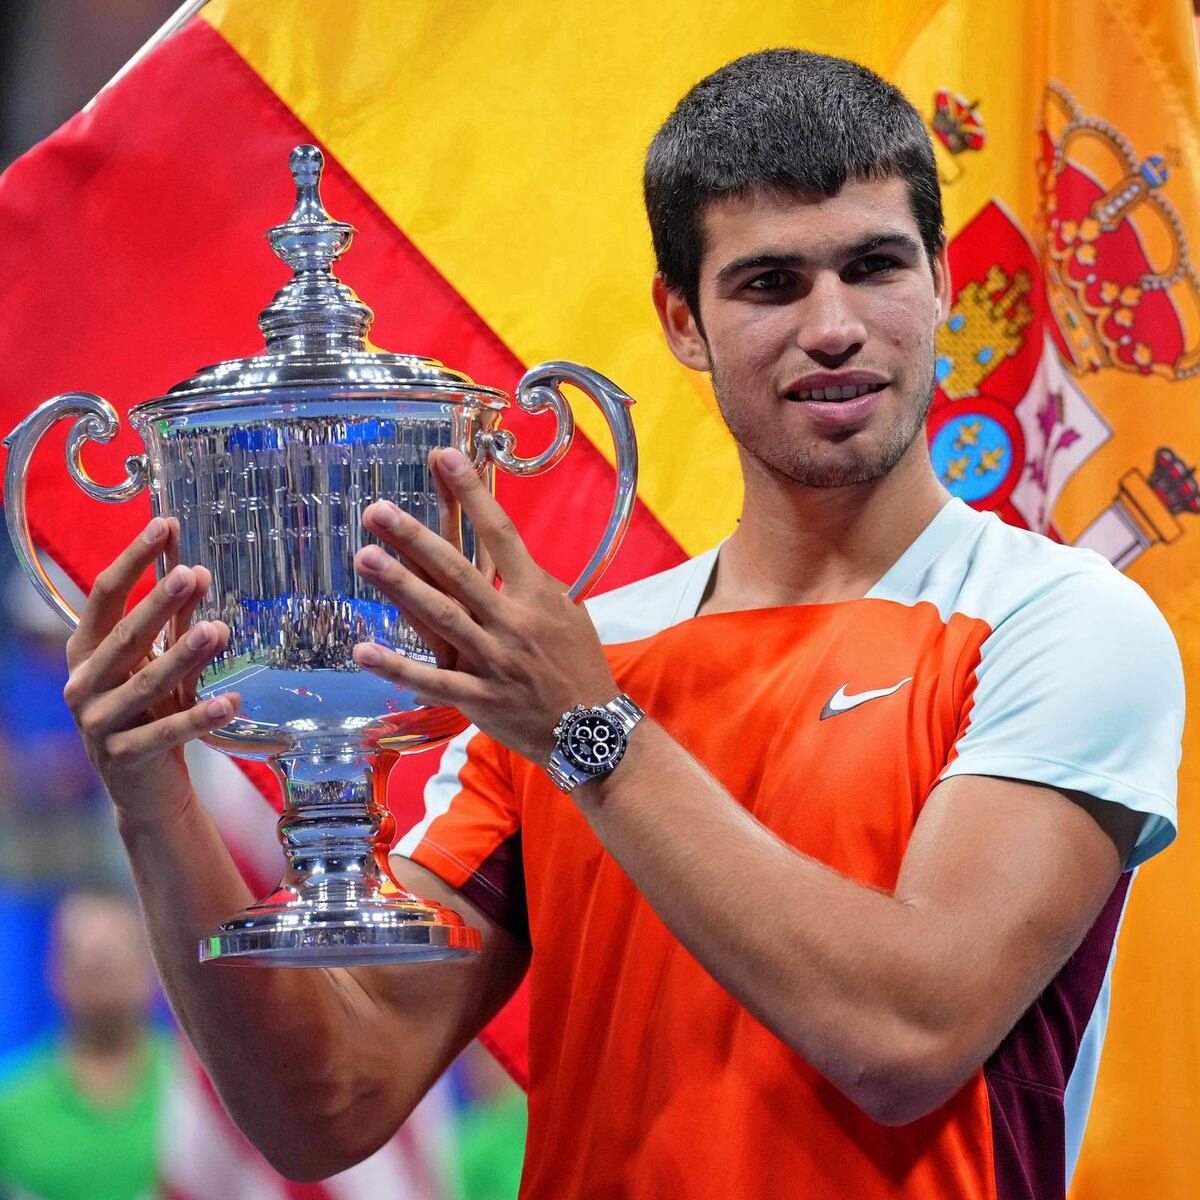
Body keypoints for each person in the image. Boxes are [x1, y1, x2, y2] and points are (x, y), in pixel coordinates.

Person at [59, 49, 1183, 1200]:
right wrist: (158, 804)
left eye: (876, 266)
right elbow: (329, 1106)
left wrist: (591, 732)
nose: (836, 326)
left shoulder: (1064, 624)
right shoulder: (557, 667)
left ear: (942, 282)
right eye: (770, 284)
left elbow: (907, 1034)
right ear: (681, 321)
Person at [0, 890, 175, 1200]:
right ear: (54, 971)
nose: (99, 971)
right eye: (85, 959)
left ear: (153, 968)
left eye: (113, 957)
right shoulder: (9, 1103)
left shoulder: (201, 1094)